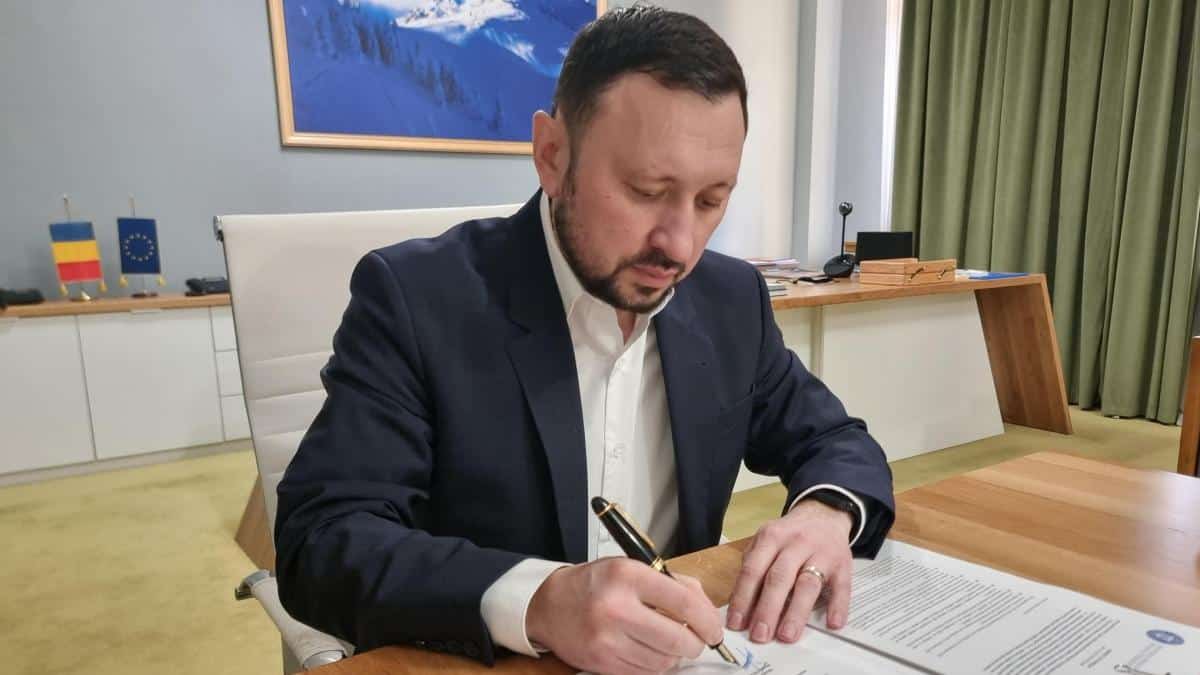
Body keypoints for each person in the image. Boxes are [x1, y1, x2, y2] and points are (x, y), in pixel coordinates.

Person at [275, 6, 894, 674]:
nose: (680, 245)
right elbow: (322, 541)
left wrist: (826, 512)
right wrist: (538, 600)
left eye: (711, 200)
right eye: (646, 190)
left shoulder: (730, 300)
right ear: (551, 156)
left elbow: (835, 440)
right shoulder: (416, 298)